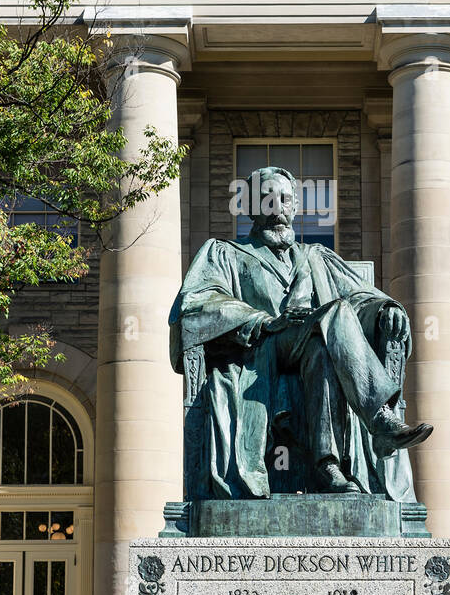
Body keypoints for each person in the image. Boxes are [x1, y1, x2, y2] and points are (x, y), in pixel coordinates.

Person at [169, 166, 432, 500]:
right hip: (259, 349)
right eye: (268, 199)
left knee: (324, 344)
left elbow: (361, 299)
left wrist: (385, 311)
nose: (278, 206)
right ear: (251, 208)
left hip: (310, 344)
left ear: (294, 207)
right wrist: (262, 321)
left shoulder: (316, 257)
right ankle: (380, 418)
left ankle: (329, 467)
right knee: (335, 313)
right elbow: (195, 305)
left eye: (285, 199)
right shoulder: (225, 254)